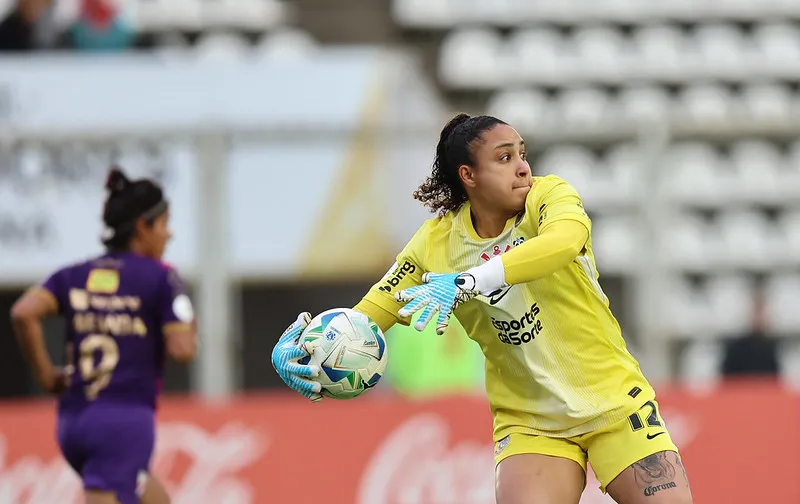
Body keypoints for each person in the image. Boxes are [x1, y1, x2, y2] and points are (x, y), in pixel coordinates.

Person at [272, 113, 693, 504]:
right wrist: (304, 353)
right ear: (468, 176)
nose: (523, 167)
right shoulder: (436, 245)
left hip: (614, 405)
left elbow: (562, 244)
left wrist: (471, 280)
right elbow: (369, 316)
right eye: (505, 158)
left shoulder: (549, 196)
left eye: (522, 154)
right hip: (530, 422)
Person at [10, 167, 197, 504]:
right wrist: (186, 320)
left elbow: (24, 313)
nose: (169, 235)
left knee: (157, 500)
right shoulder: (161, 278)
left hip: (74, 421)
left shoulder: (76, 274)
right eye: (165, 224)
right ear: (143, 226)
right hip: (123, 423)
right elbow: (182, 349)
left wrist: (46, 377)